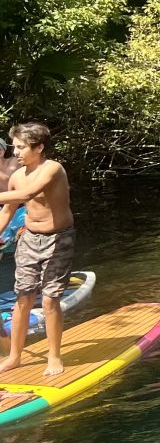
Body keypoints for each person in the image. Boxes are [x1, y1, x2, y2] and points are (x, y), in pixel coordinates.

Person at [0, 123, 75, 376]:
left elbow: (30, 192)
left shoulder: (53, 169)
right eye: (15, 147)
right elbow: (8, 210)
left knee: (50, 298)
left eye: (21, 147)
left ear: (39, 147)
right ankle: (14, 356)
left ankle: (54, 357)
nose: (16, 152)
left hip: (58, 239)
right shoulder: (16, 176)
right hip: (30, 239)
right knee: (23, 297)